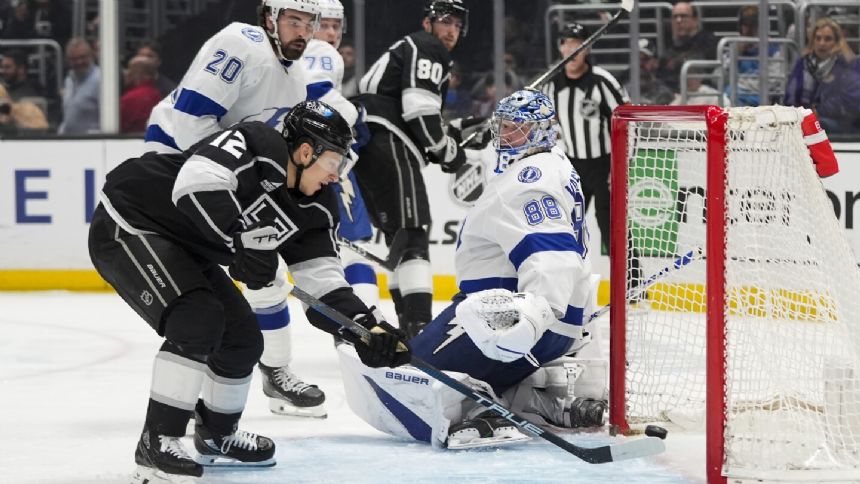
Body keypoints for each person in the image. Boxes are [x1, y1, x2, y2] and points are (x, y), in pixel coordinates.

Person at [89, 101, 411, 482]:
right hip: (131, 221)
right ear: (306, 151)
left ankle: (217, 435)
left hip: (186, 247)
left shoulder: (318, 207)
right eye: (334, 162)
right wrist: (239, 238)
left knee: (242, 339)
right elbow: (196, 182)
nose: (335, 175)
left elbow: (322, 280)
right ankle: (156, 442)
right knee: (197, 319)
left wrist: (363, 327)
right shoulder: (257, 142)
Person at [337, 90, 608, 448]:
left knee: (402, 381)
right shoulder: (555, 164)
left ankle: (475, 410)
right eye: (505, 127)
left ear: (543, 132)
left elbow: (553, 256)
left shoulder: (529, 178)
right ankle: (541, 402)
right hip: (558, 326)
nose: (505, 136)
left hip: (509, 324)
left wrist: (533, 317)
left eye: (518, 129)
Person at [143, 0, 340, 420]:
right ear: (270, 20)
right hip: (176, 164)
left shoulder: (296, 78)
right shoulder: (240, 43)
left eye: (309, 23)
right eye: (293, 21)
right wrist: (242, 196)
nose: (302, 31)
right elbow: (190, 121)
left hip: (228, 172)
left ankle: (276, 373)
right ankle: (204, 389)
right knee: (204, 291)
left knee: (264, 267)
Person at [353, 0, 469, 338]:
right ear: (428, 22)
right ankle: (420, 326)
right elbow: (419, 110)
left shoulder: (408, 48)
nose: (451, 31)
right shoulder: (428, 45)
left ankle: (407, 326)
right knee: (415, 235)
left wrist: (452, 137)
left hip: (371, 145)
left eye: (457, 25)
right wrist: (448, 151)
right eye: (445, 21)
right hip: (389, 142)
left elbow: (412, 110)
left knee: (399, 240)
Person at [541, 22, 628, 257]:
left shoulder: (602, 81)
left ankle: (632, 287)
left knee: (611, 228)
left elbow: (626, 121)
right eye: (567, 44)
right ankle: (565, 285)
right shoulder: (550, 84)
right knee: (564, 228)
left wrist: (618, 166)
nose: (572, 51)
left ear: (587, 49)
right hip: (572, 167)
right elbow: (543, 124)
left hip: (604, 165)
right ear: (560, 49)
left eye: (578, 45)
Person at [785, 17, 860, 135]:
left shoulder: (847, 65)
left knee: (817, 125)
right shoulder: (803, 63)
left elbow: (852, 101)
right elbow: (791, 94)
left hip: (837, 123)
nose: (822, 43)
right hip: (802, 118)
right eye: (818, 38)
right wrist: (799, 113)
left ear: (837, 42)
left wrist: (818, 111)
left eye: (828, 39)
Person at [658, 2, 718, 91]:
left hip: (700, 91)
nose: (678, 20)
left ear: (695, 20)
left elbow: (703, 64)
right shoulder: (668, 45)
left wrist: (677, 62)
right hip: (671, 94)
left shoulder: (707, 40)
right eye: (675, 17)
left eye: (683, 16)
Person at [58, 37, 100, 135]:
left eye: (83, 57)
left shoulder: (100, 80)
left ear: (91, 56)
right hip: (70, 142)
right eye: (74, 59)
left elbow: (110, 120)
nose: (79, 62)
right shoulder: (69, 80)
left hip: (92, 144)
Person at [120, 55, 162, 134]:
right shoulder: (157, 94)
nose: (127, 73)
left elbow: (118, 125)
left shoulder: (130, 98)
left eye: (130, 70)